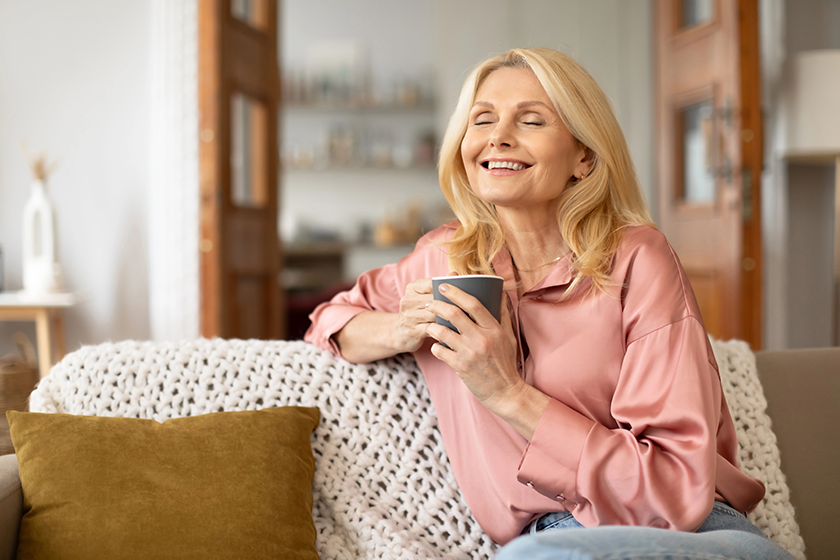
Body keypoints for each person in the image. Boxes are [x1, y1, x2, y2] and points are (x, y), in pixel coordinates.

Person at [305, 47, 794, 560]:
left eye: (532, 119)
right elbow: (331, 319)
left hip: (695, 534)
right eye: (483, 119)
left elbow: (673, 489)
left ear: (584, 156)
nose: (498, 136)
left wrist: (508, 394)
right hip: (547, 542)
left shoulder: (636, 259)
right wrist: (404, 328)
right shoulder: (443, 260)